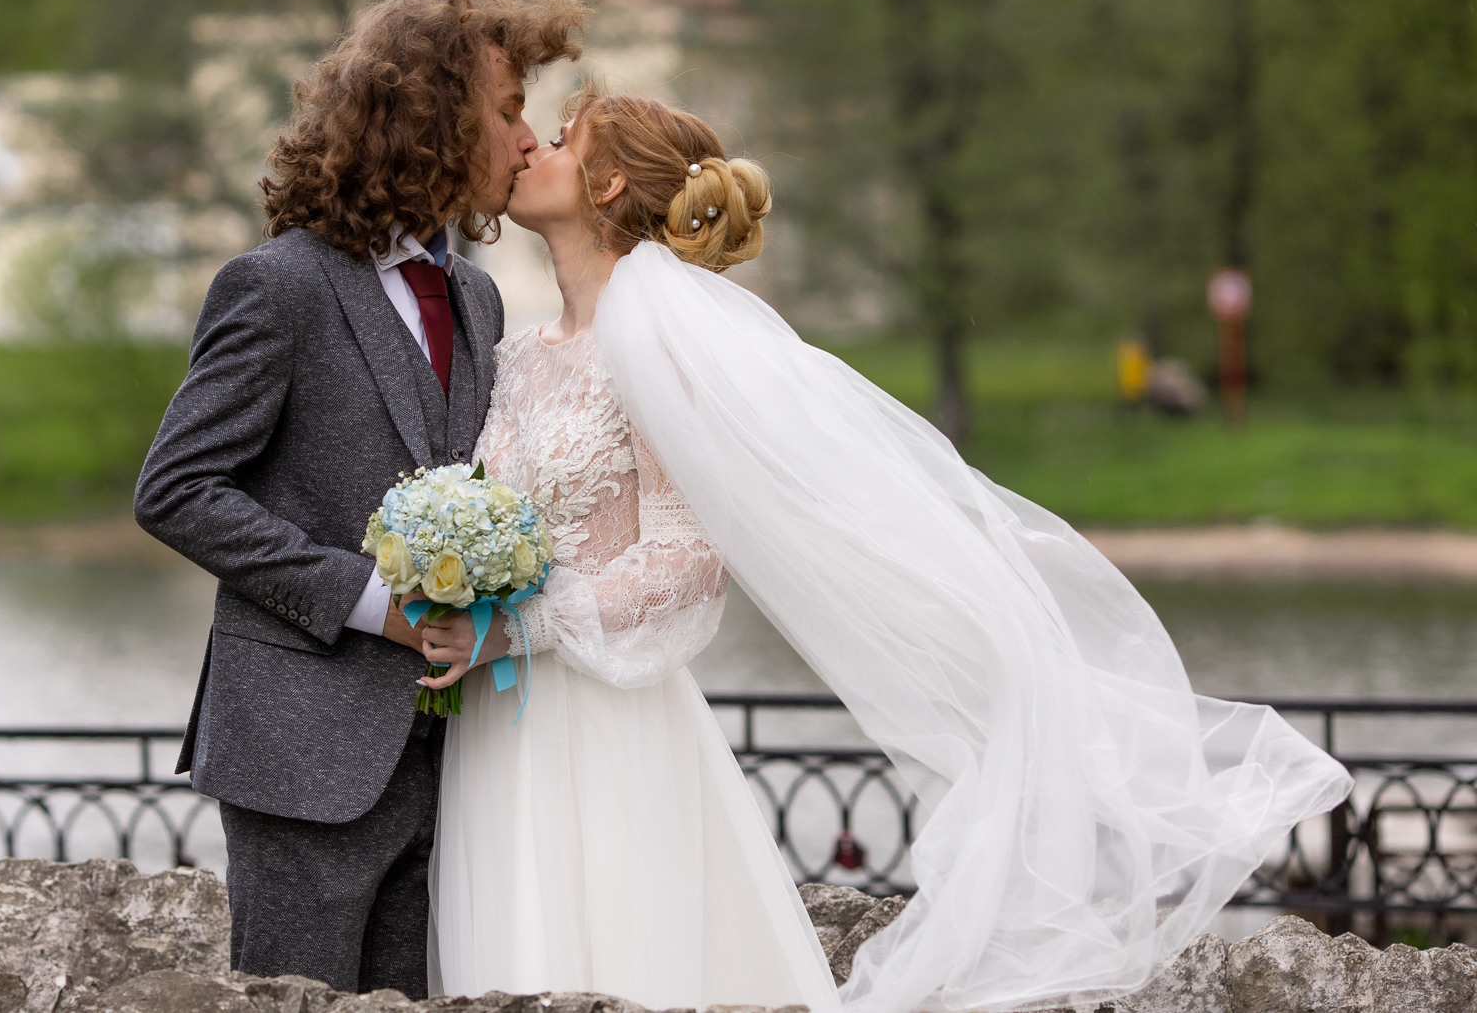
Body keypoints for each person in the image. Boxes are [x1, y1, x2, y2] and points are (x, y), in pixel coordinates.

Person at [421, 91, 1352, 1013]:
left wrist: (523, 625)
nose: (530, 149)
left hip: (602, 723)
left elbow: (689, 558)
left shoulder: (649, 339)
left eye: (559, 139)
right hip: (498, 725)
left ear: (608, 182)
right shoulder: (518, 350)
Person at [133, 0, 588, 1000]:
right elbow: (176, 488)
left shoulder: (476, 299)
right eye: (509, 111)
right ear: (436, 118)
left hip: (453, 769)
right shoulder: (277, 286)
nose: (528, 141)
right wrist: (374, 602)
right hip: (300, 761)